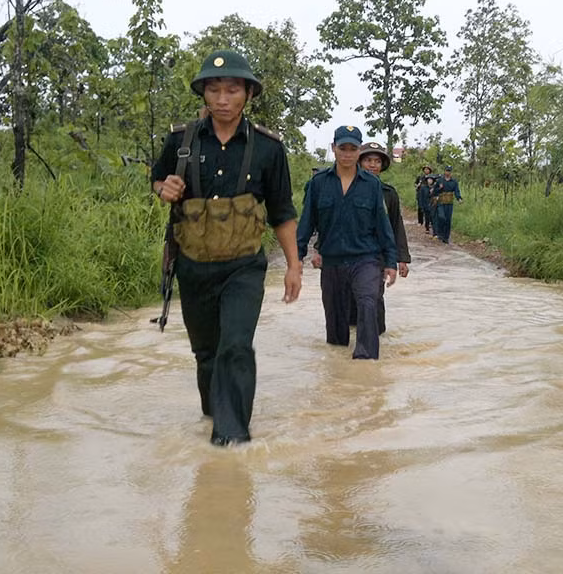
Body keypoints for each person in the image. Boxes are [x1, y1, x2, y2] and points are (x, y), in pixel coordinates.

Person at [150, 49, 302, 447]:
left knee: (236, 346)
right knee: (206, 353)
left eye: (232, 89)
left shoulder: (269, 148)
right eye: (213, 89)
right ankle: (215, 414)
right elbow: (156, 180)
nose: (222, 98)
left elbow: (282, 211)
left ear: (248, 94)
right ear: (203, 93)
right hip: (193, 266)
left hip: (244, 268)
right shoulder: (179, 140)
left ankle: (232, 441)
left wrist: (294, 266)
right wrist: (164, 188)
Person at [297, 126, 398, 360]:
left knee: (368, 303)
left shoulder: (372, 185)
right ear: (334, 148)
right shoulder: (319, 183)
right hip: (332, 262)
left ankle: (366, 367)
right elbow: (306, 223)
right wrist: (296, 259)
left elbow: (384, 226)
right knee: (336, 334)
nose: (347, 153)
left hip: (365, 260)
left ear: (358, 151)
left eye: (353, 149)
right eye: (343, 148)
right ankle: (338, 374)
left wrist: (391, 261)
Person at [344, 141, 410, 334]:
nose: (373, 165)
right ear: (359, 162)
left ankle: (377, 342)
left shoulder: (389, 194)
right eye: (368, 160)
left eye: (377, 161)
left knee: (374, 296)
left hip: (377, 255)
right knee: (348, 299)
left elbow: (396, 225)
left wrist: (402, 259)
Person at [432, 164, 463, 243]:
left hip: (449, 203)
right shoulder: (440, 181)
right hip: (441, 202)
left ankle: (446, 237)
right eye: (446, 171)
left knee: (448, 220)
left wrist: (459, 198)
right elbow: (434, 191)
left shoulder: (454, 182)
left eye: (449, 171)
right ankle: (440, 233)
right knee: (441, 217)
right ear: (444, 171)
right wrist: (440, 188)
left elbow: (456, 191)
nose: (448, 172)